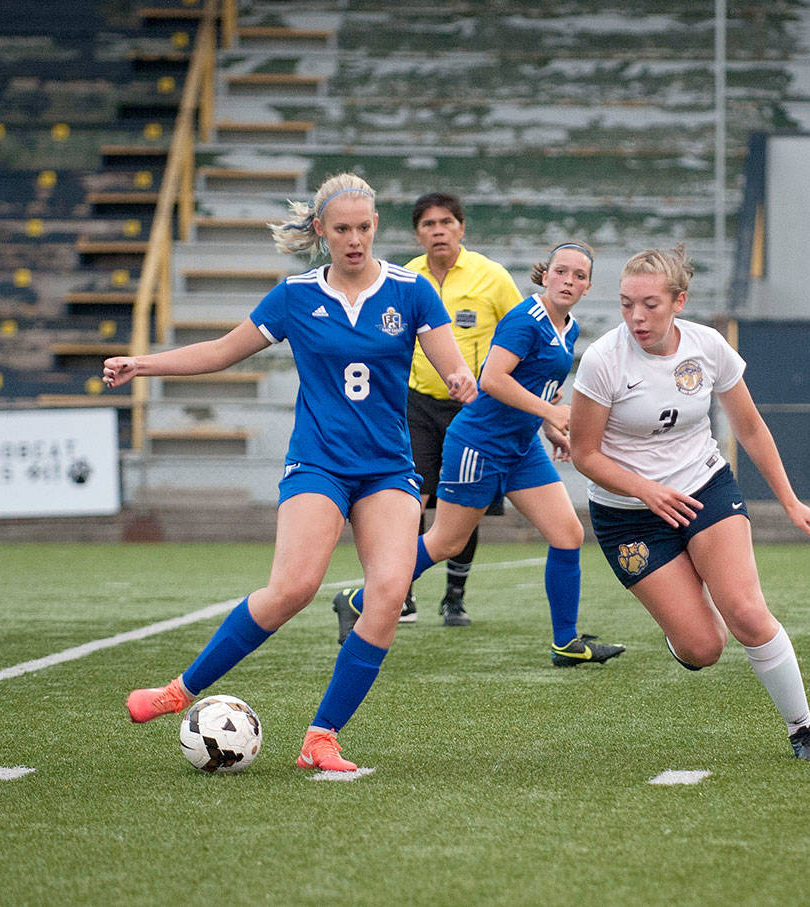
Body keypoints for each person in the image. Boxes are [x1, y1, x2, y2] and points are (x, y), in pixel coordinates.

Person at [104, 173, 477, 773]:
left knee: (387, 592)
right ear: (322, 232)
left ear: (375, 227)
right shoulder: (295, 296)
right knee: (294, 588)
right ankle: (180, 690)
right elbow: (223, 351)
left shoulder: (411, 291)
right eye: (342, 230)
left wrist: (462, 381)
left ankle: (322, 736)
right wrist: (141, 364)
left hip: (387, 468)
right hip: (320, 463)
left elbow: (453, 366)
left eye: (364, 227)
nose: (354, 240)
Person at [568, 245, 810, 760]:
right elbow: (583, 454)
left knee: (746, 611)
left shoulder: (708, 347)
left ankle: (803, 729)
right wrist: (644, 488)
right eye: (626, 304)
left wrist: (792, 502)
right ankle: (686, 628)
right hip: (629, 518)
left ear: (679, 302)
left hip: (703, 489)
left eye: (649, 304)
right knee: (703, 648)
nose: (636, 317)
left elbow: (751, 428)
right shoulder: (603, 360)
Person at [333, 242, 626, 667]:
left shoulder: (570, 327)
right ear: (545, 275)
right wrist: (553, 414)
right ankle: (357, 598)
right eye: (561, 271)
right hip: (478, 445)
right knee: (446, 541)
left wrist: (548, 426)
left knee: (568, 535)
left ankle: (566, 642)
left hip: (521, 448)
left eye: (579, 276)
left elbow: (539, 384)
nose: (569, 281)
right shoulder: (526, 320)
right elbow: (492, 379)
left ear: (588, 286)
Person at [389, 192, 524, 628]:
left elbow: (521, 330)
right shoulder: (402, 279)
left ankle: (454, 597)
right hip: (416, 405)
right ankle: (403, 593)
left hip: (475, 411)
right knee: (412, 500)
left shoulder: (493, 277)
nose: (438, 230)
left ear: (461, 228)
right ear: (417, 234)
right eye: (429, 224)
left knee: (463, 502)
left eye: (447, 222)